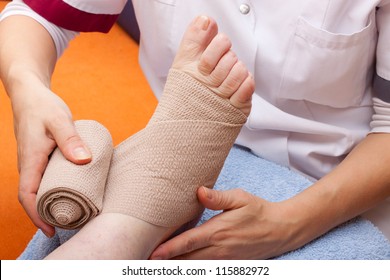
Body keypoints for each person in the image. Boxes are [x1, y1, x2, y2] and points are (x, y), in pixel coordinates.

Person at [0, 0, 389, 259]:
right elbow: (37, 15)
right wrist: (26, 87)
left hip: (336, 178)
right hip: (178, 147)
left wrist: (289, 224)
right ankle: (139, 217)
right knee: (106, 236)